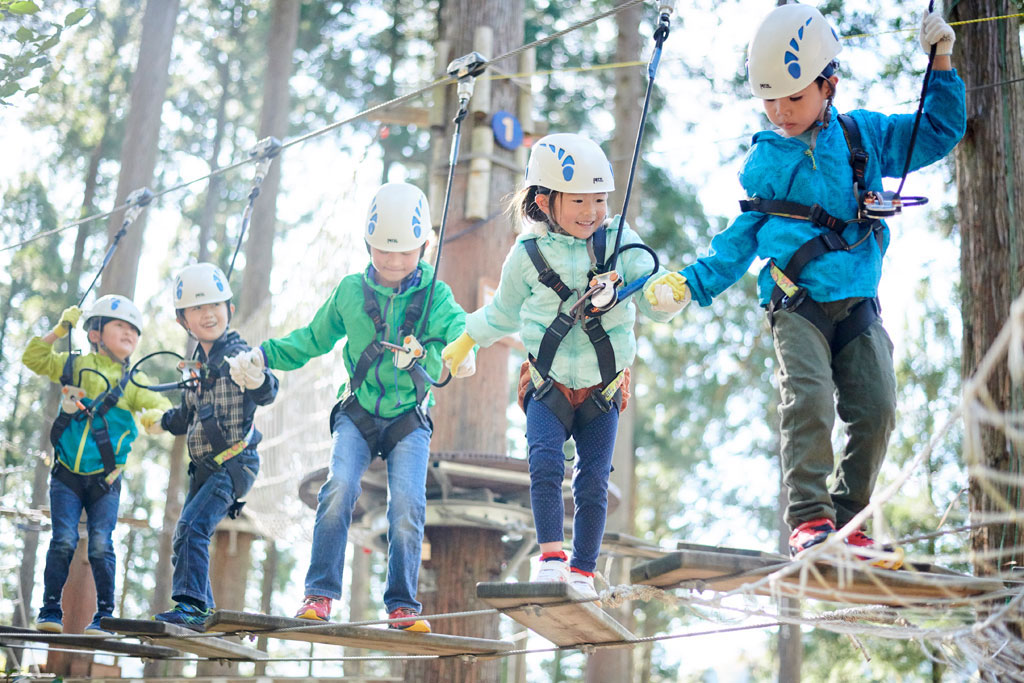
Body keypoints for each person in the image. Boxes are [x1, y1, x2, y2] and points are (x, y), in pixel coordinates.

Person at [669, 5, 964, 566]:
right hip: (797, 303)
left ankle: (849, 523)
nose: (781, 111)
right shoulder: (765, 162)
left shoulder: (866, 136)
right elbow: (742, 236)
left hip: (857, 302)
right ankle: (810, 519)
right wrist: (691, 284)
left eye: (794, 97)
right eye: (770, 99)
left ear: (830, 83)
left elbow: (940, 129)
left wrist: (941, 60)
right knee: (807, 400)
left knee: (877, 408)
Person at [442, 133, 689, 600]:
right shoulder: (528, 256)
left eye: (599, 200)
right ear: (545, 200)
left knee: (594, 480)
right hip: (547, 384)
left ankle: (583, 569)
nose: (590, 211)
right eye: (578, 200)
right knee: (545, 465)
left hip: (603, 387)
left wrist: (665, 295)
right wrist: (467, 338)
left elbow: (648, 283)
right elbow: (502, 313)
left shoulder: (619, 241)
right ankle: (552, 558)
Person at [228, 182, 470, 631]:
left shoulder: (434, 294)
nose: (393, 263)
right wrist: (263, 354)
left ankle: (402, 605)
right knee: (338, 488)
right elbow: (311, 339)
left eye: (404, 253)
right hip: (358, 412)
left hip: (407, 419)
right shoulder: (350, 292)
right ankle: (319, 594)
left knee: (407, 506)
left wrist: (458, 350)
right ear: (368, 246)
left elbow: (457, 328)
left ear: (423, 246)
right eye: (382, 252)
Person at [22, 295, 171, 634]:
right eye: (120, 325)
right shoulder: (74, 366)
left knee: (101, 543)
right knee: (62, 540)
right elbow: (33, 357)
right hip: (66, 477)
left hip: (106, 479)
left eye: (134, 329)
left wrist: (156, 416)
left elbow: (157, 403)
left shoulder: (132, 381)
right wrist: (60, 329)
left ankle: (104, 616)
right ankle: (49, 611)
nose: (130, 333)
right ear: (95, 333)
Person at [149, 262, 279, 629]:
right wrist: (159, 421)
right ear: (182, 321)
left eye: (215, 306)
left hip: (234, 464)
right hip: (206, 468)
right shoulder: (195, 370)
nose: (208, 315)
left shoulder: (240, 354)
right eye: (197, 309)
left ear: (229, 310)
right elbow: (185, 416)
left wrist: (256, 377)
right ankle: (202, 606)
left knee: (193, 527)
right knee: (184, 534)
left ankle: (191, 607)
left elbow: (268, 389)